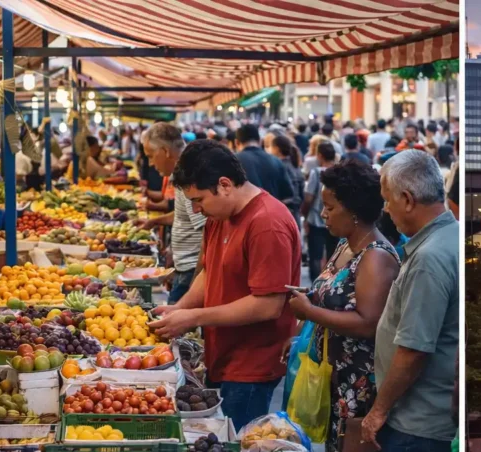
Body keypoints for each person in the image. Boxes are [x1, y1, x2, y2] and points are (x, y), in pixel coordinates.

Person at [284, 159, 400, 452]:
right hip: (338, 383)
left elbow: (368, 323)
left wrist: (311, 312)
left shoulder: (376, 257)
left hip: (362, 387)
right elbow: (330, 298)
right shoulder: (344, 245)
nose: (324, 213)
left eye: (330, 206)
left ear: (353, 209)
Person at [359, 150, 458, 452]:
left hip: (418, 425)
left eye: (386, 199)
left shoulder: (430, 259)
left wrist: (378, 411)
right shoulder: (438, 244)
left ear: (405, 197)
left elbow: (414, 349)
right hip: (423, 419)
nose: (385, 211)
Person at [149, 140, 300, 431]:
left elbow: (267, 305)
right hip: (224, 353)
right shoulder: (219, 217)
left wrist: (194, 317)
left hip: (252, 364)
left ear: (225, 184)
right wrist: (179, 308)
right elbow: (210, 272)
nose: (195, 209)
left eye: (199, 199)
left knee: (237, 446)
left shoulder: (267, 223)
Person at [138, 124, 208, 306]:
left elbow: (207, 231)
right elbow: (184, 214)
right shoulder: (181, 173)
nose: (151, 163)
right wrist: (156, 223)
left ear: (165, 151)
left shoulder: (189, 175)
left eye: (151, 156)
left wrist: (196, 283)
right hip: (184, 267)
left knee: (173, 326)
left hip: (191, 271)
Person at [301, 141, 339, 281]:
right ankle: (331, 282)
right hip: (336, 219)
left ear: (320, 156)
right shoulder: (339, 172)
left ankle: (315, 287)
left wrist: (304, 215)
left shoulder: (316, 173)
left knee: (315, 256)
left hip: (316, 219)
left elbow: (308, 198)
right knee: (333, 255)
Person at [234, 125, 296, 209]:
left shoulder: (233, 161)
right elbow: (288, 195)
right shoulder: (276, 161)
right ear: (260, 141)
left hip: (244, 218)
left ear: (236, 142)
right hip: (273, 216)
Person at [266, 134, 305, 222]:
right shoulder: (295, 165)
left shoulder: (278, 166)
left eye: (270, 147)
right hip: (295, 210)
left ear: (276, 148)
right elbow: (302, 192)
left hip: (283, 211)